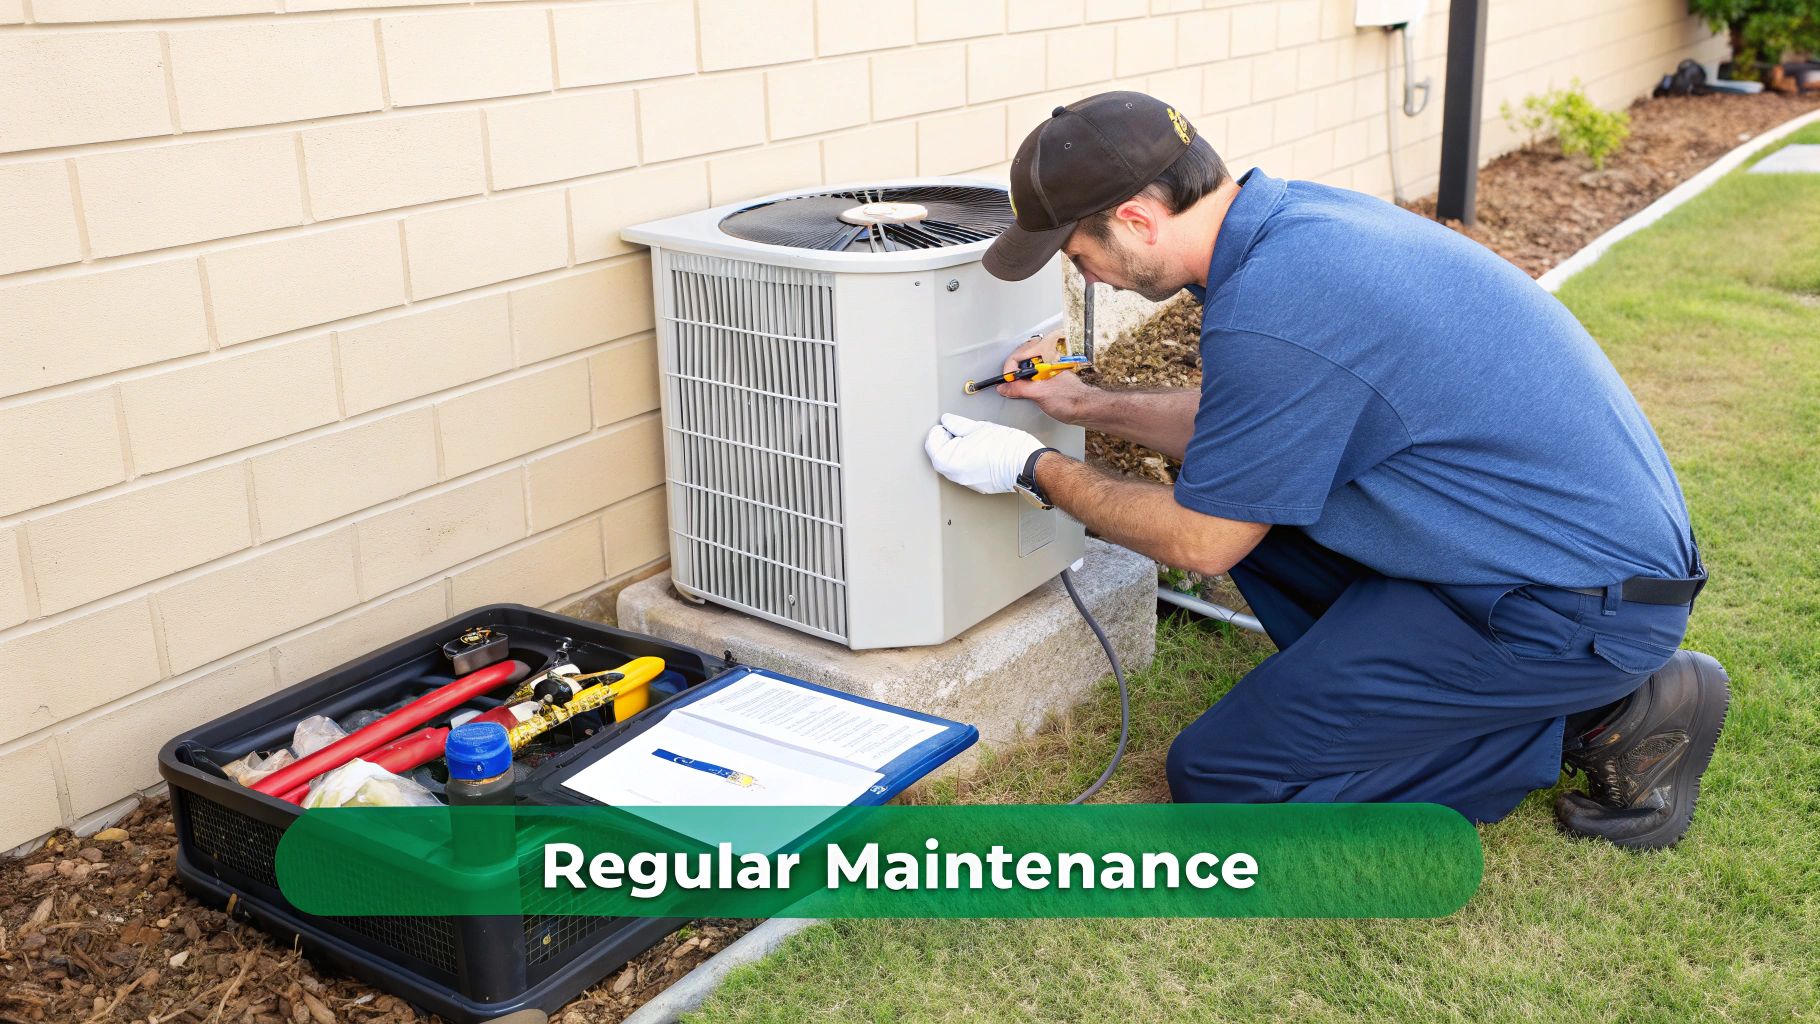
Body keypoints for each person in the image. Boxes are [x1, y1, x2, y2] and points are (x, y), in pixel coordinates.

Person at [923, 91, 1729, 850]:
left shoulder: (1278, 306)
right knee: (1247, 490)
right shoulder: (1294, 227)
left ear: (1137, 219)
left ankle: (1603, 718)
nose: (1085, 275)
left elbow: (1203, 542)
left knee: (1224, 782)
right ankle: (1496, 696)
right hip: (1537, 557)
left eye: (1079, 252)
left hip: (1571, 607)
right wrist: (1085, 405)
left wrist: (1033, 469)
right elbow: (1251, 429)